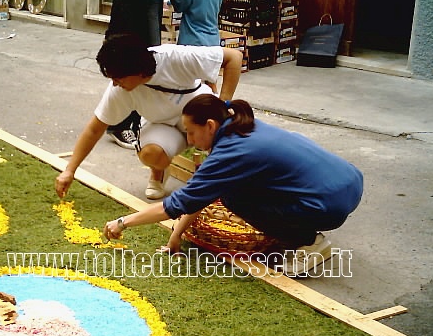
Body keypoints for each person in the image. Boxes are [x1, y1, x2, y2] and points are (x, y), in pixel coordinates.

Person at [102, 94, 364, 275]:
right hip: (349, 182)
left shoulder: (231, 152)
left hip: (329, 205)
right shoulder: (244, 127)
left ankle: (309, 242)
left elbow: (179, 203)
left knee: (233, 197)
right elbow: (199, 192)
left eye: (191, 132)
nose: (190, 140)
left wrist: (123, 222)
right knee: (232, 189)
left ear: (210, 125)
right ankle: (300, 228)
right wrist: (176, 235)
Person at [55, 34, 242, 200]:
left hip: (199, 115)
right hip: (162, 126)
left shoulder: (173, 57)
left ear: (138, 71)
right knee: (151, 153)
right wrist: (69, 171)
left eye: (118, 78)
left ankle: (225, 182)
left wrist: (223, 105)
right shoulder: (119, 90)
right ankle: (158, 172)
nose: (115, 83)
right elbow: (95, 128)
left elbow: (234, 57)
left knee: (229, 137)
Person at [104, 0, 164, 150]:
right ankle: (119, 125)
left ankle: (136, 124)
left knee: (144, 70)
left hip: (148, 11)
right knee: (130, 68)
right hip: (133, 19)